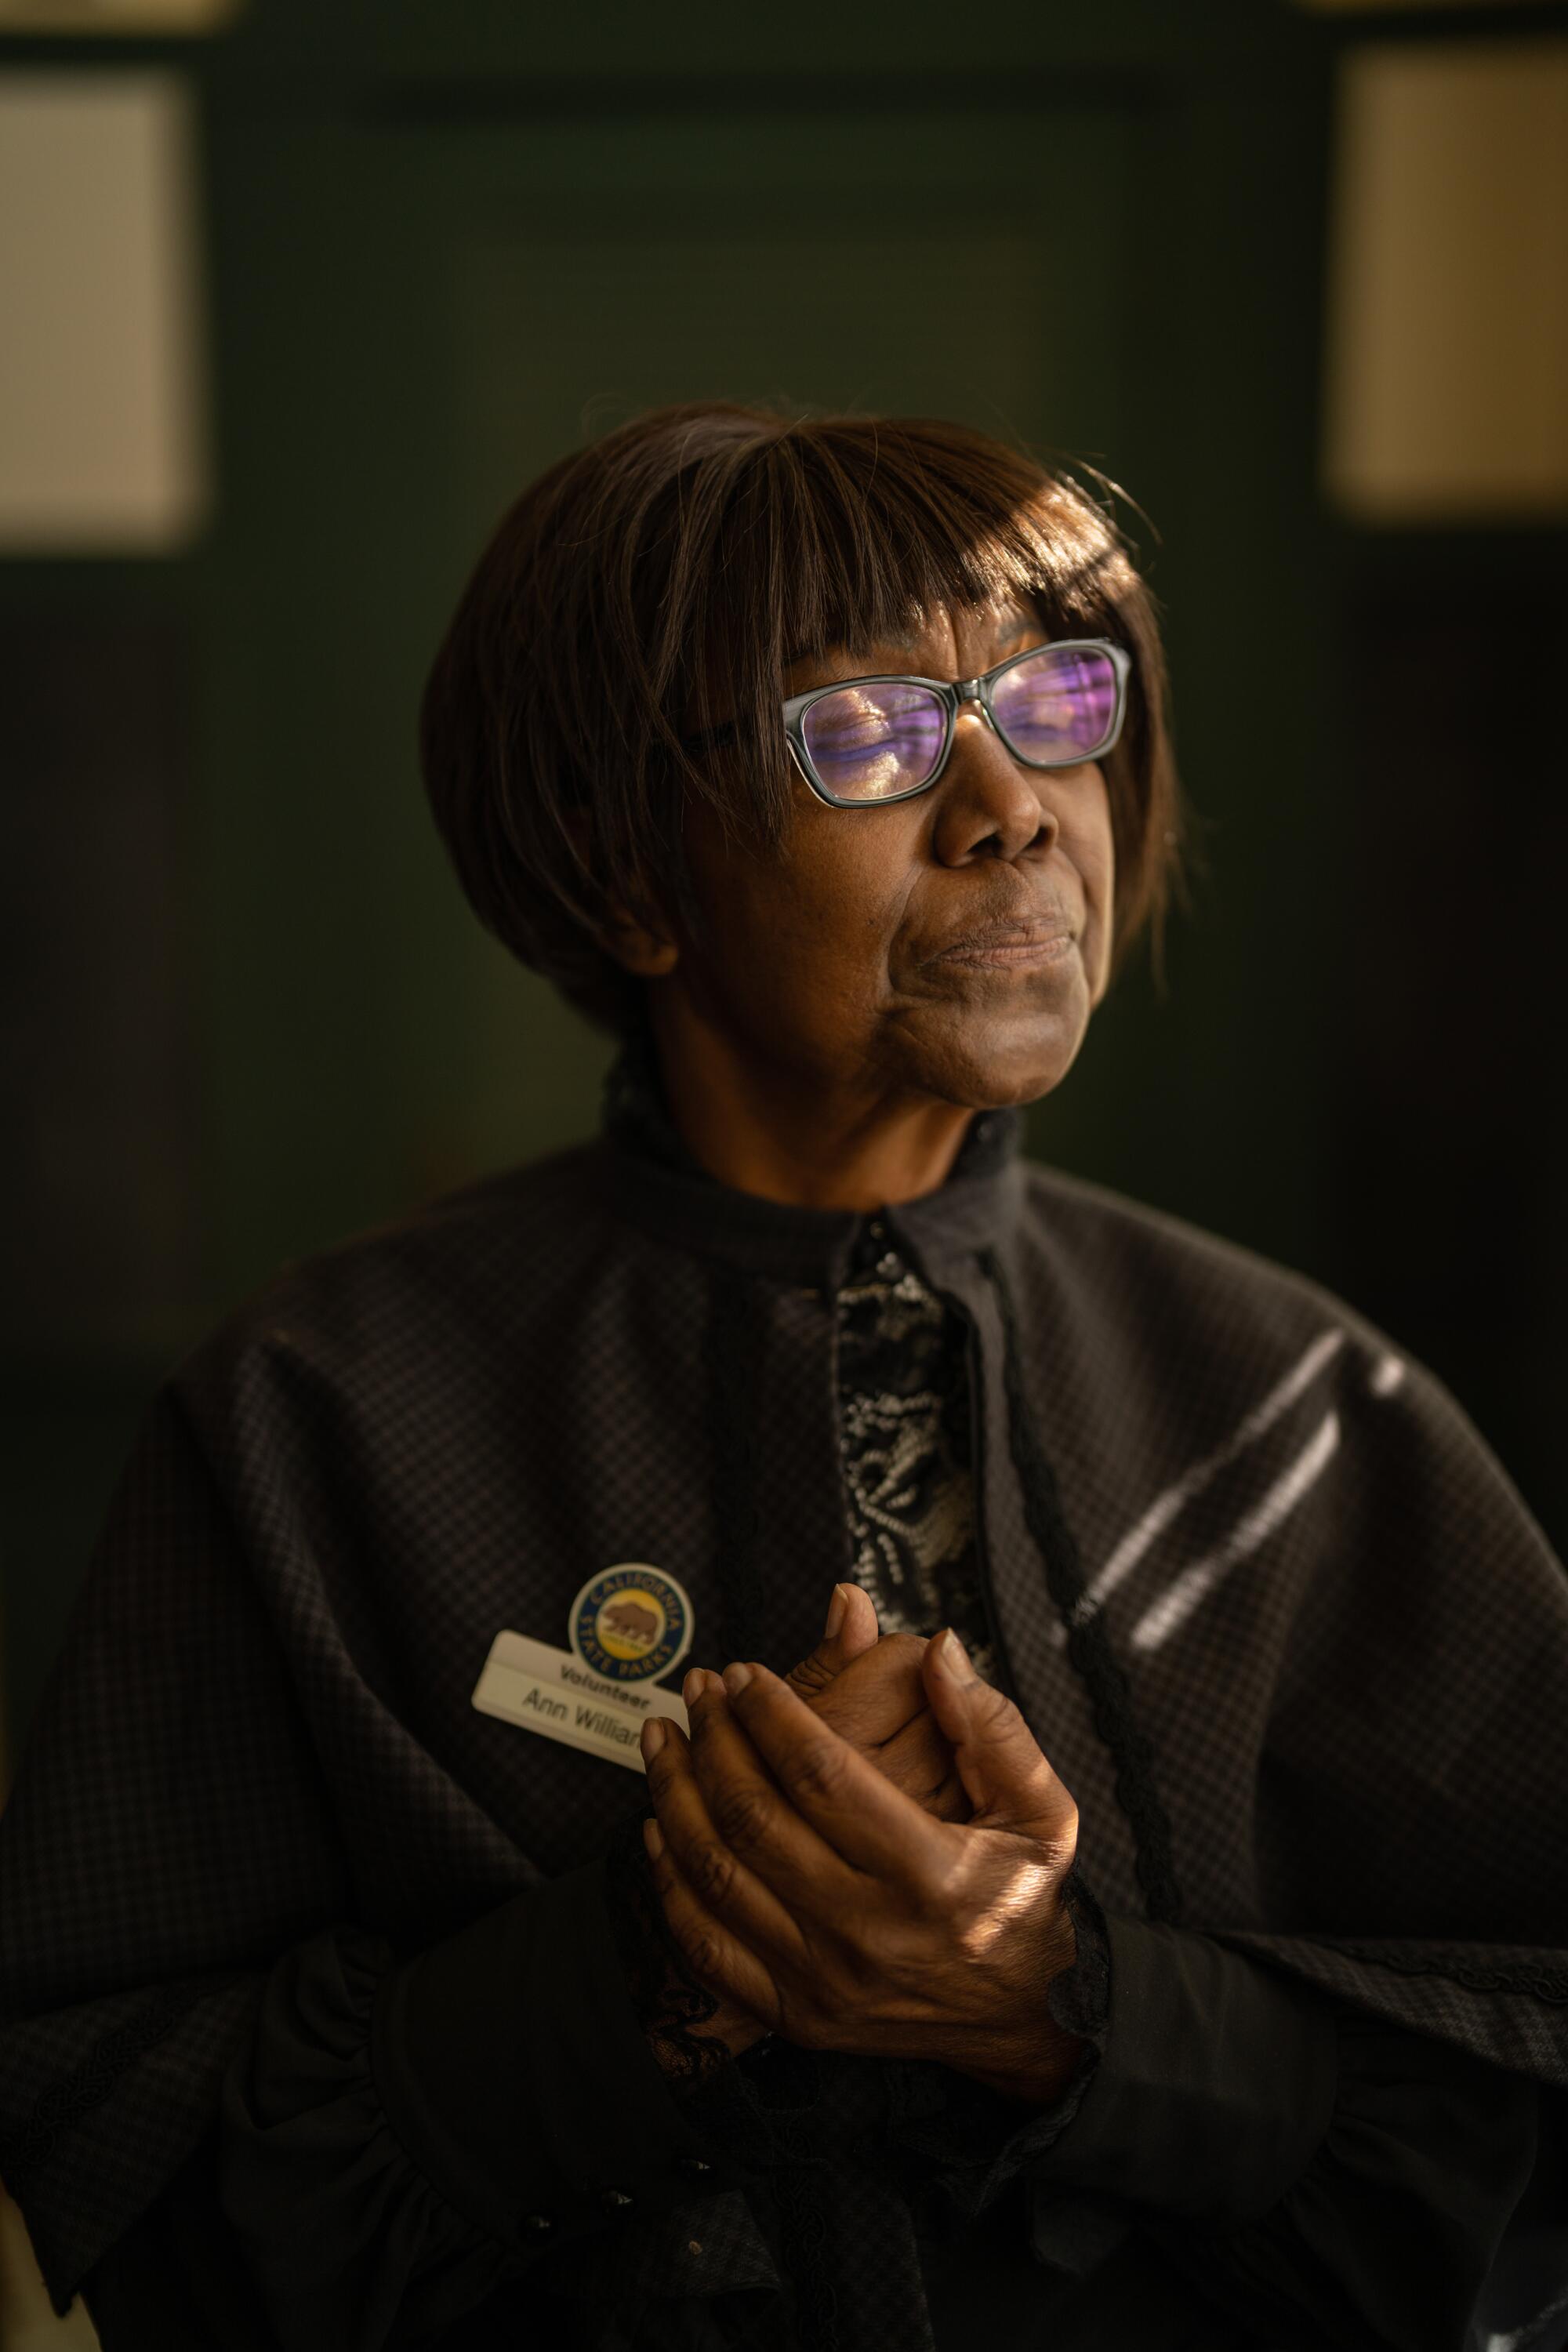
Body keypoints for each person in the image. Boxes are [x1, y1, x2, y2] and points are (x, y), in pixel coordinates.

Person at [2, 401, 1565, 2352]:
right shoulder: (315, 1420)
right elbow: (160, 2202)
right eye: (873, 730)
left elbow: (1521, 2139)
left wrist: (1053, 2009)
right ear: (621, 857)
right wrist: (664, 1947)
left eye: (1058, 694)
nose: (1013, 802)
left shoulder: (1299, 1416)